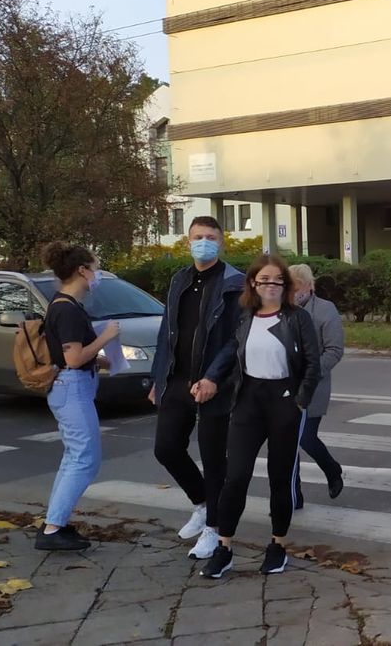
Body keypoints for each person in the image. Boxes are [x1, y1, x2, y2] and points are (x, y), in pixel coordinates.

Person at [201, 254, 322, 579]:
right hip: (248, 402)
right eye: (264, 279)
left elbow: (313, 362)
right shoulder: (246, 318)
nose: (270, 285)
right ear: (253, 283)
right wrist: (211, 378)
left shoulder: (297, 319)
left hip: (284, 401)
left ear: (285, 285)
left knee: (279, 478)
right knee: (235, 477)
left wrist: (300, 400)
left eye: (277, 280)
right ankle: (224, 547)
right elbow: (230, 353)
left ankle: (277, 545)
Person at [149, 216, 246, 560]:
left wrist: (214, 378)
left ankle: (214, 530)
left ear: (222, 243)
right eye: (197, 237)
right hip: (177, 380)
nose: (203, 242)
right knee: (166, 448)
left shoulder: (235, 283)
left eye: (210, 237)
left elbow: (238, 338)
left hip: (213, 386)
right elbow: (167, 332)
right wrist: (157, 378)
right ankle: (203, 504)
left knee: (213, 459)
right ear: (187, 242)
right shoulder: (180, 279)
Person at [34, 243, 120, 551]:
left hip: (71, 386)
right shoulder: (67, 309)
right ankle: (52, 528)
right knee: (84, 459)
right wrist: (104, 339)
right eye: (95, 268)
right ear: (81, 270)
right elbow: (71, 359)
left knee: (75, 458)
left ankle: (54, 522)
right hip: (72, 388)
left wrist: (99, 360)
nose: (96, 274)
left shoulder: (63, 305)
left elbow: (67, 353)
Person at [289, 264, 345, 505]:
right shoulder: (281, 309)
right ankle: (294, 495)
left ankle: (332, 470)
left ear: (309, 286)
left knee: (306, 438)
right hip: (285, 386)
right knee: (288, 443)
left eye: (297, 287)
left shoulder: (325, 310)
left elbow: (334, 350)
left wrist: (311, 372)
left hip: (314, 386)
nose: (293, 292)